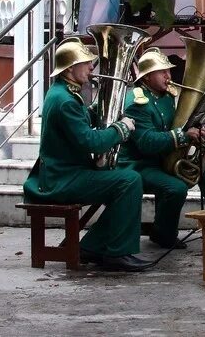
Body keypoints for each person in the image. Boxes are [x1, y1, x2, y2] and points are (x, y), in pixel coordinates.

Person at [22, 40, 150, 271]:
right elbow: (89, 141)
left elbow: (79, 122)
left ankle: (91, 246)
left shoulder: (64, 92)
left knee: (124, 178)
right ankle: (116, 253)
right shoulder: (64, 100)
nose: (92, 67)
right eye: (86, 63)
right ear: (70, 68)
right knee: (130, 181)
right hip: (63, 179)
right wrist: (121, 128)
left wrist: (99, 110)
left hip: (64, 173)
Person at [118, 48, 205, 249]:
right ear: (148, 77)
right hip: (137, 164)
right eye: (163, 72)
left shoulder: (166, 96)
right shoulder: (138, 102)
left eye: (169, 71)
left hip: (157, 160)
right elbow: (146, 142)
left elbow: (173, 125)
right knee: (175, 188)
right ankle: (163, 234)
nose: (169, 76)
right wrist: (183, 136)